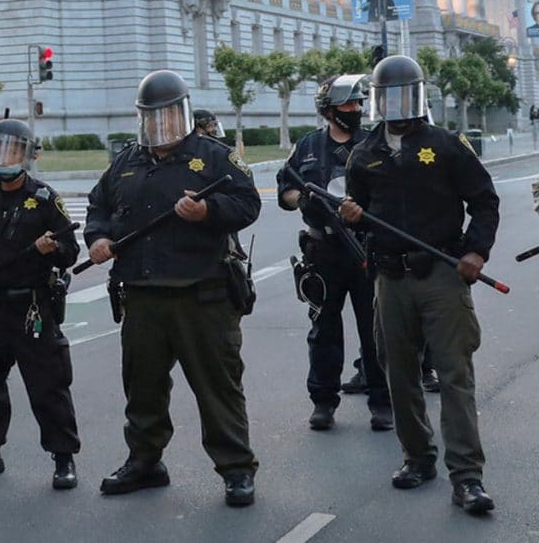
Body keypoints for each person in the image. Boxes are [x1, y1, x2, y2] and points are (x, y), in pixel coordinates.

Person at [85, 70, 261, 506]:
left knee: (217, 388)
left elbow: (247, 203)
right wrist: (98, 239)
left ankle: (236, 468)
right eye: (152, 118)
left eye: (168, 117)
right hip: (142, 294)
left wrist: (207, 211)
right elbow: (99, 206)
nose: (160, 127)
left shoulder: (213, 157)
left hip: (201, 294)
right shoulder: (127, 161)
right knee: (142, 386)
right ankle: (145, 461)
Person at [341, 55, 499, 515]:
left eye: (404, 96)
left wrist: (475, 251)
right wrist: (347, 214)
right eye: (386, 97)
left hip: (441, 275)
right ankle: (417, 457)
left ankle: (467, 477)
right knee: (399, 374)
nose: (395, 106)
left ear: (419, 96)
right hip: (390, 278)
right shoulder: (365, 153)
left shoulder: (447, 146)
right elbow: (357, 209)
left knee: (454, 375)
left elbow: (484, 202)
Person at [0, 119, 80, 490]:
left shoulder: (45, 199)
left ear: (26, 155)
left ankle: (63, 457)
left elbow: (71, 251)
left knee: (47, 385)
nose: (5, 158)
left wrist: (52, 249)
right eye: (0, 151)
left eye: (13, 151)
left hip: (31, 308)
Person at [276, 74, 392, 432]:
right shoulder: (309, 146)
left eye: (359, 103)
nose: (356, 109)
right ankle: (323, 401)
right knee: (323, 329)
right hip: (323, 250)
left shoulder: (374, 144)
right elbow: (286, 189)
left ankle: (381, 400)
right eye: (348, 104)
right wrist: (304, 198)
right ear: (329, 110)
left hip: (364, 247)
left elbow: (391, 191)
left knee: (374, 328)